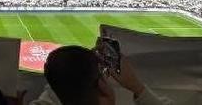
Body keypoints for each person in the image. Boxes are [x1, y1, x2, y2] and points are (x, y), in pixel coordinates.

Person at [35, 45, 170, 105]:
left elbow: (60, 86)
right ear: (102, 86)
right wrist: (137, 87)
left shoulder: (56, 93)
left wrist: (77, 66)